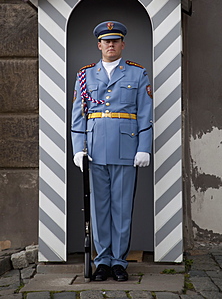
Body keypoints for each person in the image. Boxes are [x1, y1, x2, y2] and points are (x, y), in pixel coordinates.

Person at [71, 21, 153, 281]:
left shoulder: (137, 74)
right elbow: (78, 117)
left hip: (126, 149)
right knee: (99, 208)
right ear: (99, 45)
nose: (110, 45)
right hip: (95, 149)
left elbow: (145, 114)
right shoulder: (85, 75)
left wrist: (144, 148)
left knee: (121, 207)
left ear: (122, 44)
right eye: (106, 41)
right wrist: (78, 149)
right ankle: (102, 261)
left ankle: (119, 262)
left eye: (115, 41)